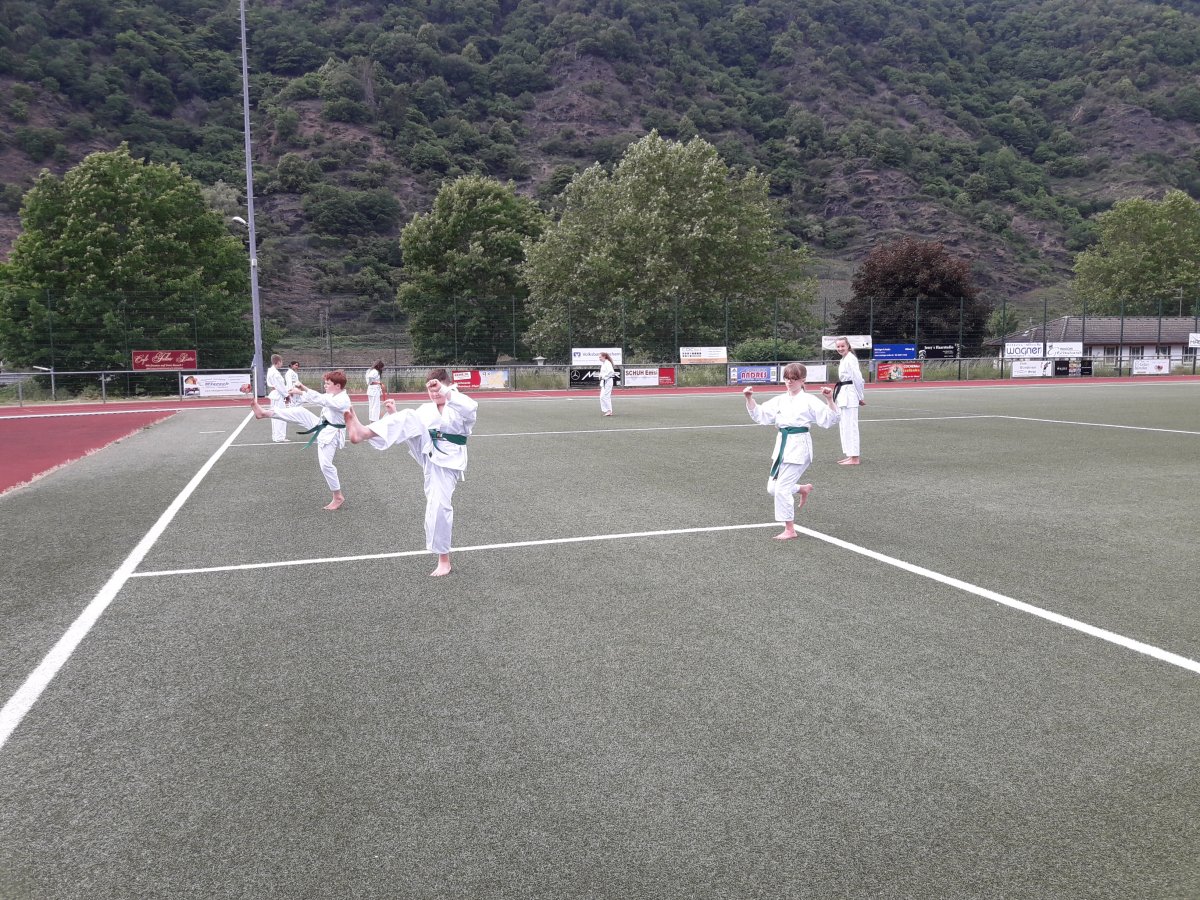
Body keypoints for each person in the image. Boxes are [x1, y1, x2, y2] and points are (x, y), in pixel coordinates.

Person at [343, 368, 478, 577]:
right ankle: (364, 432)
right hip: (426, 447)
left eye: (438, 390)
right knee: (407, 416)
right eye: (431, 391)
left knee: (439, 505)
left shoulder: (459, 405)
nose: (434, 395)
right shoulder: (427, 409)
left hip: (448, 458)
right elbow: (409, 426)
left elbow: (471, 408)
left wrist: (443, 390)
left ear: (448, 386)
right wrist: (393, 415)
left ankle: (444, 560)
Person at [743, 363, 840, 541]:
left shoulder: (809, 400)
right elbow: (761, 415)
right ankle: (802, 488)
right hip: (782, 445)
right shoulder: (780, 400)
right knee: (772, 488)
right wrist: (749, 398)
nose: (789, 382)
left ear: (803, 380)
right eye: (787, 378)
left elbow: (829, 419)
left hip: (799, 446)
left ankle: (790, 529)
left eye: (794, 379)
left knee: (781, 489)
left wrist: (829, 400)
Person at [252, 370, 351, 510]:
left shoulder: (342, 400)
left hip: (331, 433)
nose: (325, 386)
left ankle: (338, 496)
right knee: (300, 411)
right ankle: (265, 413)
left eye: (327, 384)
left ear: (338, 386)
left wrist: (302, 389)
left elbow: (321, 400)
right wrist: (300, 391)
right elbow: (319, 397)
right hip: (322, 424)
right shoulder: (333, 394)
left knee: (325, 465)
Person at [832, 336, 865, 465]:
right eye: (838, 346)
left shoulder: (851, 358)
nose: (840, 348)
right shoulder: (844, 359)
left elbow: (857, 378)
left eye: (842, 346)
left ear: (848, 346)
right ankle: (850, 455)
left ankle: (855, 457)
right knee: (844, 426)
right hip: (843, 394)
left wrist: (860, 396)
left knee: (851, 426)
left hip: (850, 394)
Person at [265, 354, 290, 443]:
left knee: (275, 415)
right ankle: (279, 436)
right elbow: (280, 387)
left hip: (276, 395)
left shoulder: (271, 371)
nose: (282, 363)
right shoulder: (275, 373)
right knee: (280, 415)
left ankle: (276, 436)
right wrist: (287, 395)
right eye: (281, 362)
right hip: (278, 396)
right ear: (278, 362)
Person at [598, 352, 616, 416]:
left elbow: (611, 372)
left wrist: (604, 376)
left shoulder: (607, 363)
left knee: (606, 396)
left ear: (604, 356)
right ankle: (607, 410)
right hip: (604, 381)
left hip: (608, 381)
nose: (599, 358)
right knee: (602, 397)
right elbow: (602, 372)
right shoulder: (603, 363)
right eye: (599, 357)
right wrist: (600, 376)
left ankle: (609, 411)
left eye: (600, 357)